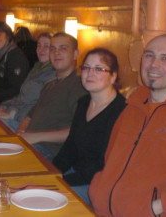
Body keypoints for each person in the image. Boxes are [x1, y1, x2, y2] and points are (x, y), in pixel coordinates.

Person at [89, 34, 166, 216]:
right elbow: (109, 158)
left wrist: (155, 208)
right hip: (103, 210)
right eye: (149, 56)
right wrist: (98, 188)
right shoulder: (132, 106)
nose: (154, 64)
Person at [52, 48, 126, 205]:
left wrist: (62, 181)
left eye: (99, 69)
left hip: (97, 184)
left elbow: (103, 165)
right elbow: (70, 147)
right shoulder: (84, 102)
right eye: (86, 68)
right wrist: (50, 173)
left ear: (113, 76)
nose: (90, 74)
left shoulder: (121, 111)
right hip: (75, 174)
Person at [16, 32, 87, 161]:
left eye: (63, 48)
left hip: (50, 151)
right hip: (30, 144)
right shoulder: (49, 85)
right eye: (53, 49)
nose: (56, 53)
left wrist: (37, 137)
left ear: (76, 54)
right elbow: (28, 117)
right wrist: (20, 134)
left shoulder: (78, 85)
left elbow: (79, 131)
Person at [0, 32, 56, 131]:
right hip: (14, 110)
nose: (41, 49)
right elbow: (20, 96)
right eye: (39, 45)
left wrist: (11, 115)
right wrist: (4, 106)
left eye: (46, 46)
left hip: (25, 122)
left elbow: (38, 108)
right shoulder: (36, 68)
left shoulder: (52, 76)